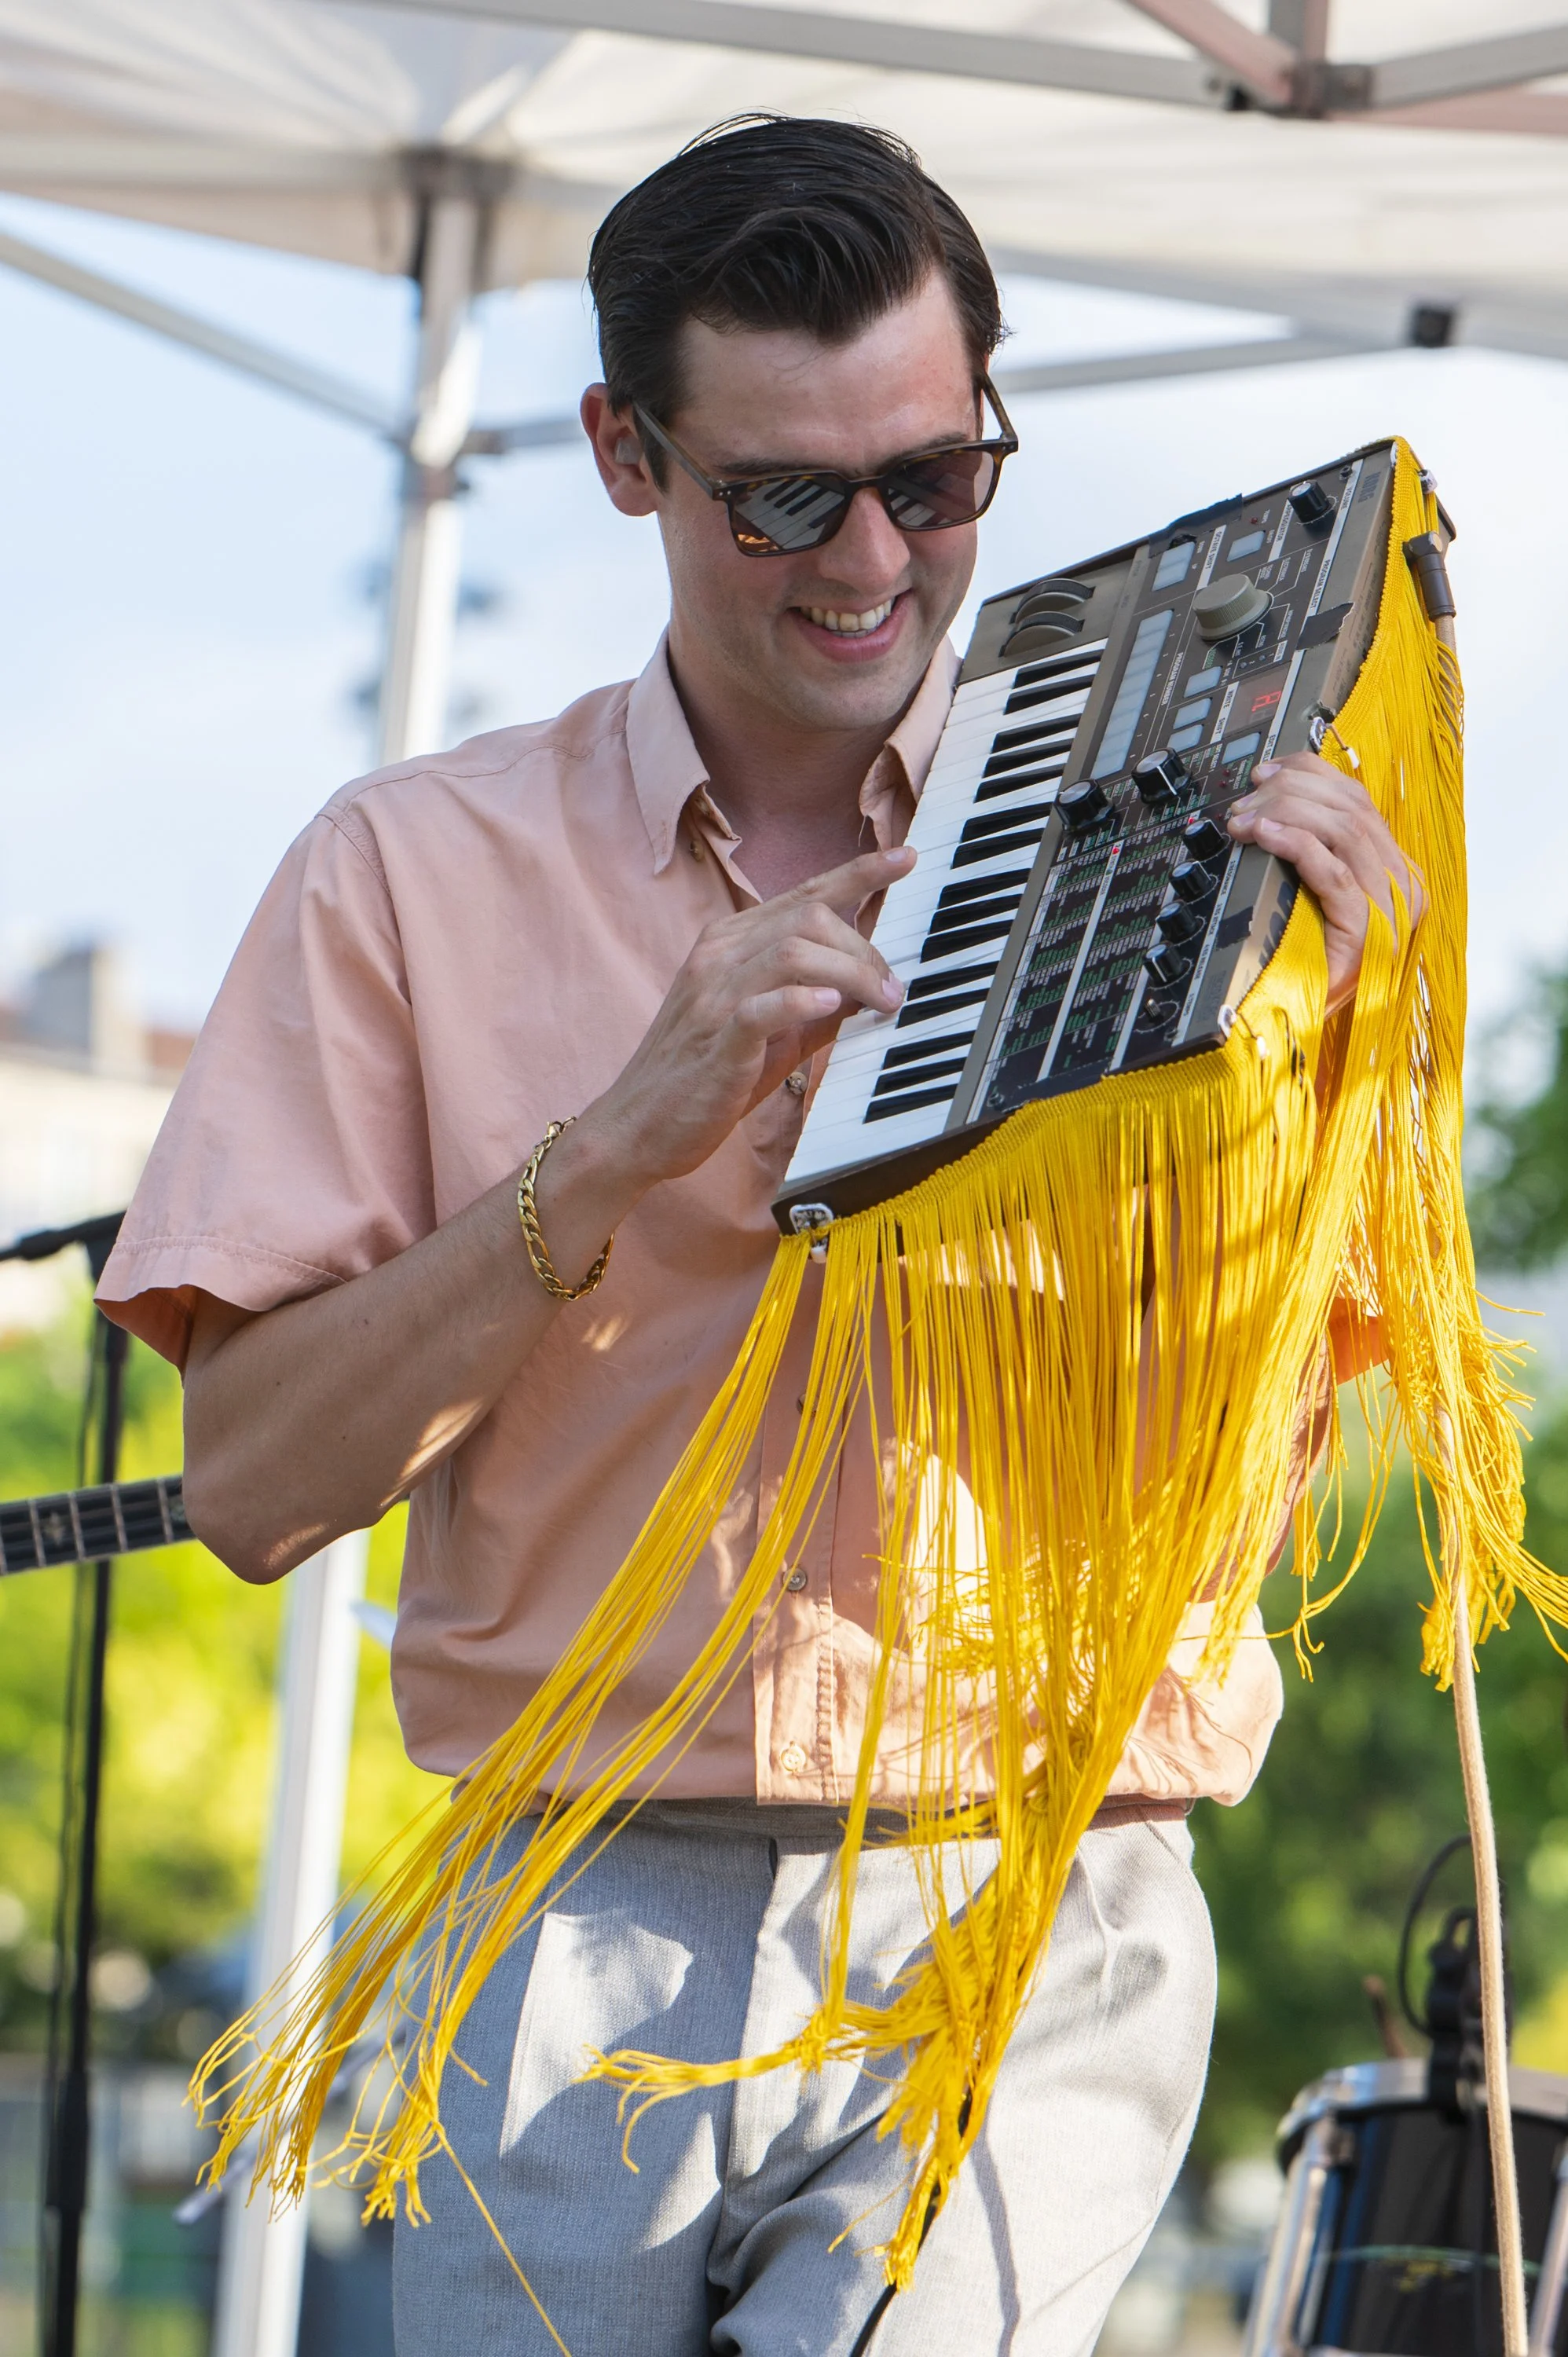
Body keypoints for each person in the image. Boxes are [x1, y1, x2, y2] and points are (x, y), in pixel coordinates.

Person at [99, 115, 1418, 2357]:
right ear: (624, 454)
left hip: (1039, 1894)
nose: (870, 561)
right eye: (781, 496)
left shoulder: (1199, 849)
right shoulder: (403, 870)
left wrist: (1336, 1079)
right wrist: (610, 1147)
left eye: (931, 479)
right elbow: (246, 1487)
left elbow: (1269, 1462)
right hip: (577, 1903)